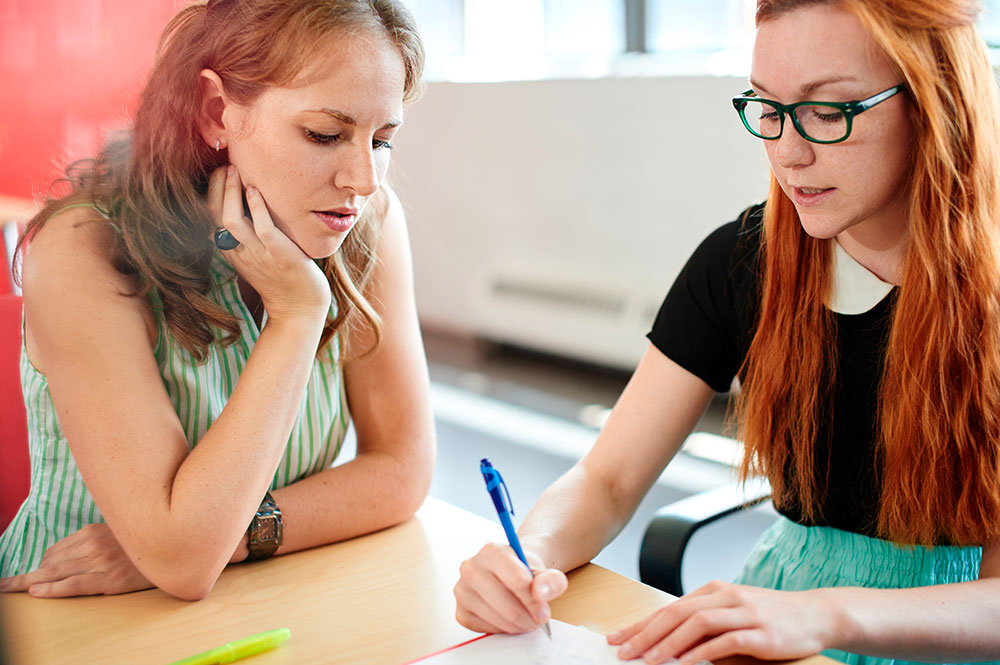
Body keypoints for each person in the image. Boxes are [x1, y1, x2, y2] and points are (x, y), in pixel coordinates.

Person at [453, 1, 1000, 664]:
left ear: (933, 100)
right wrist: (528, 553)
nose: (788, 152)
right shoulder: (745, 260)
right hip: (789, 620)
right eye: (767, 109)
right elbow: (608, 479)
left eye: (828, 111)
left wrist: (826, 612)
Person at [0, 0, 435, 601]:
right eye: (325, 135)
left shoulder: (365, 222)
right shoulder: (84, 249)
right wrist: (297, 315)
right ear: (215, 113)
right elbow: (182, 565)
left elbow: (402, 471)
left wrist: (232, 535)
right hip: (69, 611)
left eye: (382, 140)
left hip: (264, 595)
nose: (363, 179)